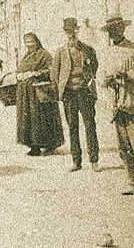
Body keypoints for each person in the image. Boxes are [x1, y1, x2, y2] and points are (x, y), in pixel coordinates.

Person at [51, 17, 99, 172]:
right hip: (69, 94)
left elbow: (95, 67)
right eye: (68, 32)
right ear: (65, 32)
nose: (71, 35)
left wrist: (86, 81)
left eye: (74, 31)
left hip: (85, 92)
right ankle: (76, 161)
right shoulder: (60, 52)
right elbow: (54, 74)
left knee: (90, 125)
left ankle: (94, 160)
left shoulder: (88, 49)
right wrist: (60, 91)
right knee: (73, 127)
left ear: (77, 31)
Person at [100, 15, 134, 195]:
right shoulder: (107, 53)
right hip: (117, 107)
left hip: (133, 103)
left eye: (116, 29)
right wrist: (106, 80)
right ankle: (133, 185)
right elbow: (100, 79)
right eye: (110, 30)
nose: (113, 33)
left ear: (122, 29)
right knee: (124, 149)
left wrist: (127, 75)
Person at [15, 33, 64, 156]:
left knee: (40, 118)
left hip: (39, 91)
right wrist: (19, 75)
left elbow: (52, 69)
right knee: (28, 119)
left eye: (32, 42)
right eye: (27, 43)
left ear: (37, 41)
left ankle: (49, 144)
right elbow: (20, 69)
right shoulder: (26, 56)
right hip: (26, 94)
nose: (30, 45)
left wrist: (37, 73)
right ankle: (33, 146)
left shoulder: (44, 54)